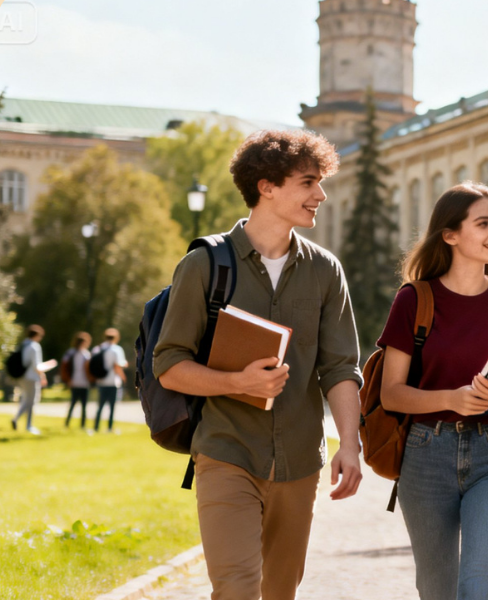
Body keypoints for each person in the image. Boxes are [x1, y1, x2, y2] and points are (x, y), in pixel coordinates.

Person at [155, 129, 364, 600]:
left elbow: (341, 368)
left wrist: (349, 445)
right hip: (226, 453)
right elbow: (169, 363)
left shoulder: (325, 270)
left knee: (280, 592)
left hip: (299, 462)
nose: (320, 194)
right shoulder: (205, 265)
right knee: (236, 590)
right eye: (308, 182)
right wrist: (237, 381)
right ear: (266, 186)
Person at [377, 182, 488, 600]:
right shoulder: (414, 299)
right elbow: (391, 393)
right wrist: (451, 398)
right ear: (449, 234)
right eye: (483, 223)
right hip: (426, 453)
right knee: (437, 590)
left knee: (482, 589)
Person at [11, 324, 47, 434]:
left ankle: (17, 419)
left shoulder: (23, 345)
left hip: (22, 377)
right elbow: (37, 366)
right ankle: (28, 425)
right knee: (31, 402)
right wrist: (43, 375)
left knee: (26, 400)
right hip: (32, 377)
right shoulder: (35, 346)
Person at [92, 328, 128, 434]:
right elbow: (117, 366)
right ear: (116, 338)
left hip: (101, 381)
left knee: (100, 406)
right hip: (113, 382)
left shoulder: (98, 348)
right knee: (112, 407)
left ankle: (96, 427)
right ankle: (109, 428)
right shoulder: (116, 349)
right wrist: (123, 377)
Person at [62, 332, 93, 429]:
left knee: (84, 406)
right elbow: (64, 367)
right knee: (72, 404)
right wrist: (68, 380)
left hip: (84, 382)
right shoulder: (71, 353)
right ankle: (67, 423)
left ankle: (82, 425)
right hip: (74, 382)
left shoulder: (86, 354)